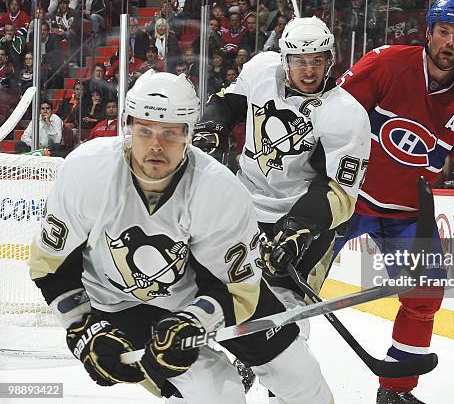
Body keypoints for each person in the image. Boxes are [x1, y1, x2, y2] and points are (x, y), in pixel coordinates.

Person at [28, 70, 332, 404]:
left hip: (212, 295)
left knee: (301, 380)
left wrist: (196, 319)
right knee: (218, 392)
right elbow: (52, 267)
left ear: (189, 134)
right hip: (122, 303)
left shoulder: (219, 190)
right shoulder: (85, 172)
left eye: (171, 133)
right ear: (127, 127)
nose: (156, 145)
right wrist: (82, 330)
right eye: (145, 130)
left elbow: (238, 288)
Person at [334, 0, 454, 403]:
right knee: (295, 281)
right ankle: (269, 365)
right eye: (443, 32)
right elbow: (331, 114)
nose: (450, 42)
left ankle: (395, 390)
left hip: (407, 212)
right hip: (346, 198)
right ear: (427, 32)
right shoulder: (386, 63)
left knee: (425, 296)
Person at [196, 16, 371, 397]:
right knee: (230, 283)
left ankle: (290, 383)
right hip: (244, 203)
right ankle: (244, 358)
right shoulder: (260, 69)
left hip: (306, 217)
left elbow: (338, 192)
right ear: (285, 60)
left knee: (289, 303)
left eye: (318, 60)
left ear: (331, 60)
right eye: (300, 61)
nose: (309, 70)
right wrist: (211, 125)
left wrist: (295, 232)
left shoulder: (346, 113)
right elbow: (229, 102)